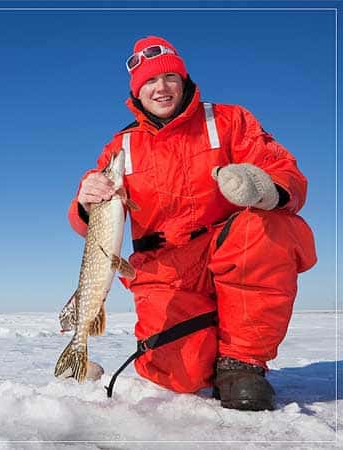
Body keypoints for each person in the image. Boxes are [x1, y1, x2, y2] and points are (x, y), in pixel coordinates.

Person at [67, 36, 317, 411]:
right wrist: (86, 199)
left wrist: (265, 188)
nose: (161, 87)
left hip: (228, 247)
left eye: (169, 76)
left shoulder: (230, 121)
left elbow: (285, 173)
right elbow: (91, 224)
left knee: (269, 227)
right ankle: (212, 338)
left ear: (184, 80)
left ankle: (241, 363)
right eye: (149, 81)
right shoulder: (121, 146)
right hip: (163, 268)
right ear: (138, 91)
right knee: (175, 375)